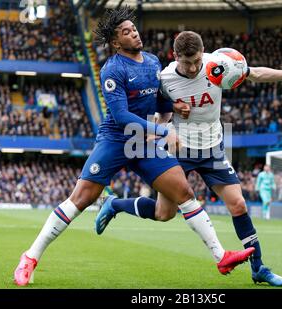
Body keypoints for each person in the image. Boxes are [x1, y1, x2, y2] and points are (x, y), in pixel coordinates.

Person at [13, 7, 253, 287]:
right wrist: (164, 130)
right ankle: (29, 257)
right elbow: (122, 117)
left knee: (184, 193)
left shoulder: (151, 62)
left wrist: (173, 106)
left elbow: (155, 102)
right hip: (116, 139)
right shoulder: (112, 69)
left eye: (134, 28)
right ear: (116, 43)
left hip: (144, 142)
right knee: (81, 199)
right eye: (126, 32)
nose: (134, 33)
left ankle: (221, 257)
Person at [96, 30, 282, 287]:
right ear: (175, 56)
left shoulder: (219, 65)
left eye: (196, 61)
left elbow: (255, 73)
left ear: (203, 53)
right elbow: (157, 109)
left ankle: (259, 267)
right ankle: (115, 205)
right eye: (187, 62)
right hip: (179, 151)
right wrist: (156, 131)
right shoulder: (165, 78)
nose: (193, 67)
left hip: (213, 147)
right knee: (163, 214)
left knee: (238, 204)